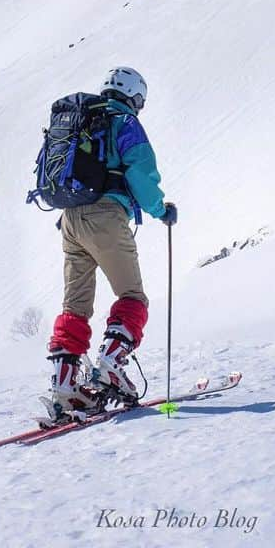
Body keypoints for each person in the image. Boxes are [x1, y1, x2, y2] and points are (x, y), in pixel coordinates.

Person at [44, 66, 177, 421]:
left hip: (69, 220)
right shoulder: (124, 122)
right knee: (132, 297)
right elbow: (140, 172)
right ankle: (110, 364)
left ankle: (64, 385)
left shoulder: (83, 120)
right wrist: (160, 209)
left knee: (75, 306)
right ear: (134, 96)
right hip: (105, 216)